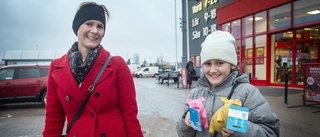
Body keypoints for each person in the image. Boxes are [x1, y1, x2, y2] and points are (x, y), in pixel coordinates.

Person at [42, 2, 143, 137]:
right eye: (89, 24)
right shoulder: (56, 67)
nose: (95, 31)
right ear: (77, 27)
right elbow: (53, 118)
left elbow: (130, 115)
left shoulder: (117, 65)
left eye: (100, 26)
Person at [176, 31, 280, 137]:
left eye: (219, 63)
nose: (212, 70)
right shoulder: (195, 93)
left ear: (232, 65)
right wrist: (186, 122)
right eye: (207, 64)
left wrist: (239, 128)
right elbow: (182, 133)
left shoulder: (247, 92)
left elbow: (271, 132)